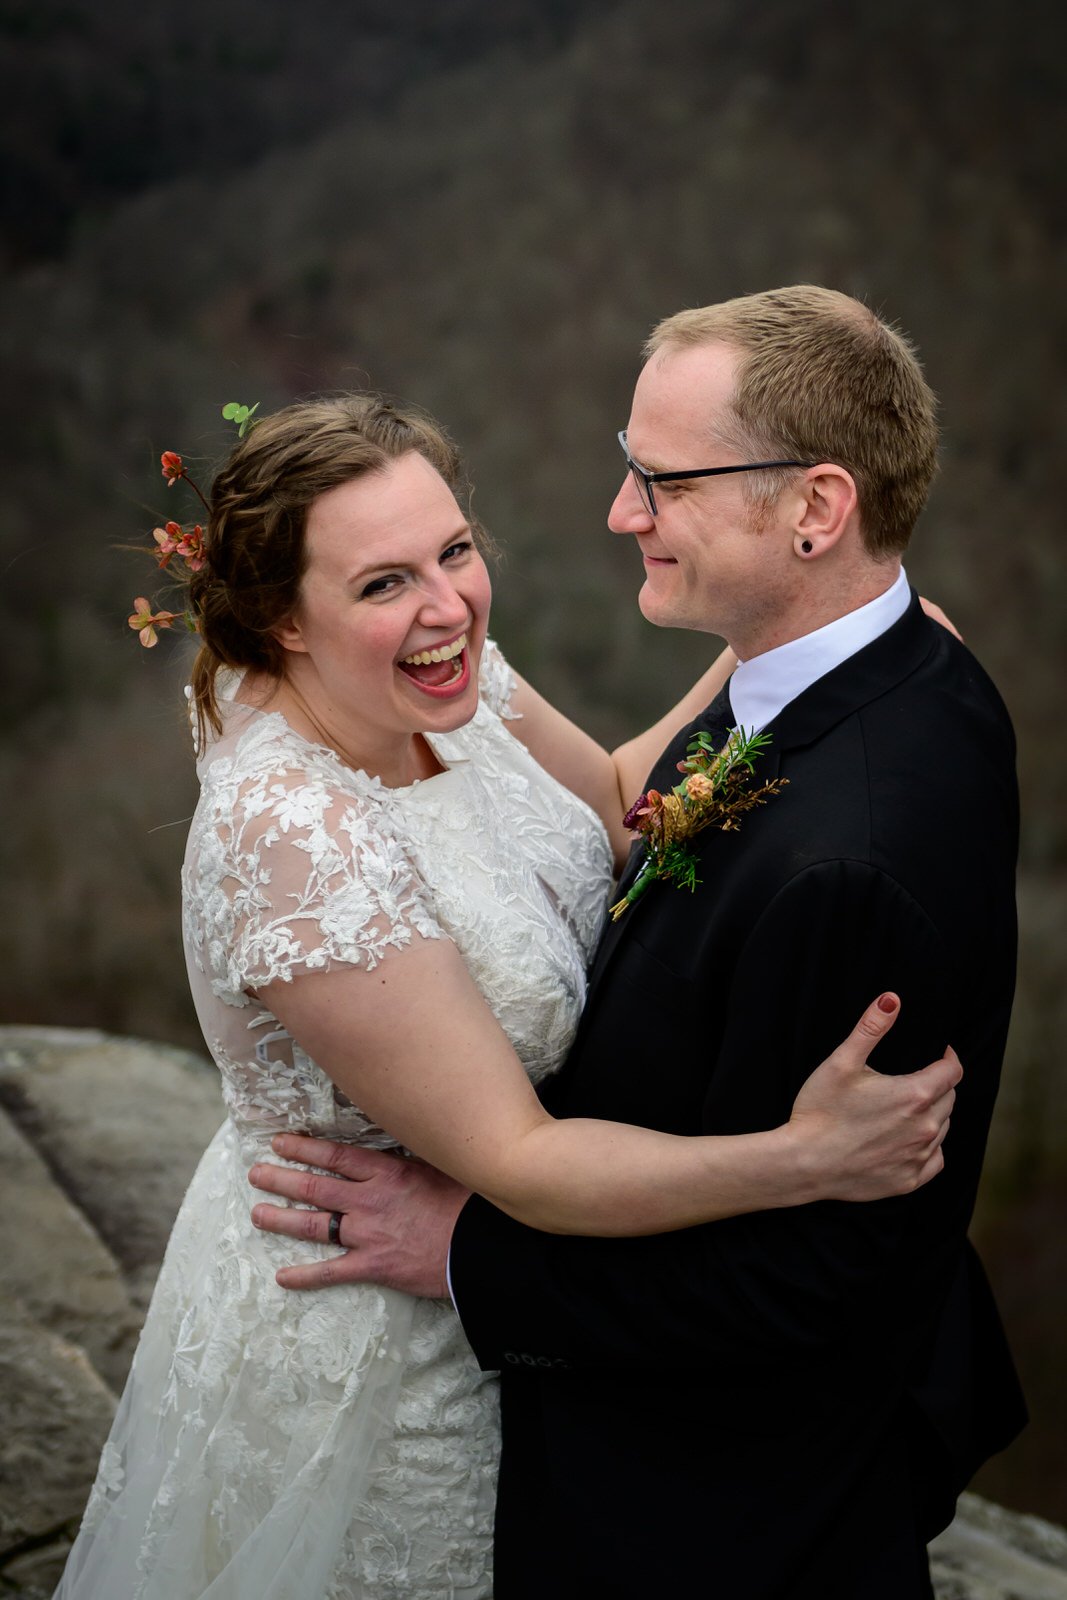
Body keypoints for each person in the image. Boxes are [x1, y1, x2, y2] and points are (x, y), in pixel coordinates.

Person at [55, 392, 961, 1600]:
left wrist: (813, 647)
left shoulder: (446, 675)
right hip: (377, 1352)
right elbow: (521, 1158)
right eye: (381, 583)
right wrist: (804, 1158)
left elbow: (613, 803)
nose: (445, 607)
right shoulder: (291, 837)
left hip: (522, 1300)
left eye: (454, 551)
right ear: (282, 619)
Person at [251, 290, 1026, 1599]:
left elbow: (802, 1283)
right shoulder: (852, 673)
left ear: (814, 509)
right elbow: (629, 810)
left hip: (716, 1519)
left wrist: (461, 1251)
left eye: (660, 481)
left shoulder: (849, 858)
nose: (621, 514)